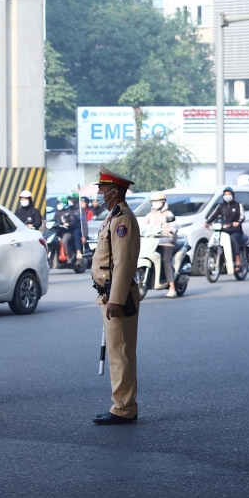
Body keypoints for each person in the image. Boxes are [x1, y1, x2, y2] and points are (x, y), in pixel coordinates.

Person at [91, 166, 142, 425]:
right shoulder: (112, 216)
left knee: (120, 351)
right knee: (116, 351)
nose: (98, 192)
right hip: (108, 294)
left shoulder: (122, 219)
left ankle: (123, 407)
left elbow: (123, 263)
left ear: (114, 192)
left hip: (116, 295)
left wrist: (116, 299)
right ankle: (122, 403)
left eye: (101, 188)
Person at [142, 193, 177, 298]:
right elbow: (142, 225)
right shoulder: (149, 215)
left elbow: (175, 225)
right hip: (152, 242)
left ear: (164, 202)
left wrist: (170, 230)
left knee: (165, 262)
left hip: (166, 242)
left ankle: (172, 288)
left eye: (158, 201)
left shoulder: (168, 214)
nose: (156, 203)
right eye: (154, 201)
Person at [204, 187, 246, 271]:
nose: (227, 196)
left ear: (232, 195)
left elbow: (242, 216)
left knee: (233, 238)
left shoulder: (238, 205)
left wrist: (237, 222)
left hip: (236, 231)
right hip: (224, 230)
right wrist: (207, 223)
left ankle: (238, 261)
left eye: (229, 194)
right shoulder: (220, 206)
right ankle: (220, 257)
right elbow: (213, 216)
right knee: (216, 240)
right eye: (225, 194)